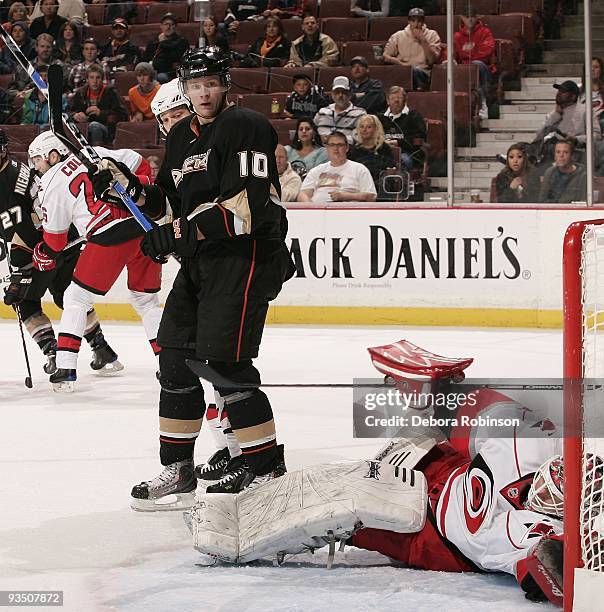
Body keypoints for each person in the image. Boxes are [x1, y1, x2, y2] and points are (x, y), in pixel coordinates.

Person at [189, 339, 564, 607]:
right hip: (440, 463)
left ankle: (435, 396)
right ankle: (439, 395)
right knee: (524, 430)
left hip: (425, 529)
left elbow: (546, 565)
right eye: (555, 483)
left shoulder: (531, 533)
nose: (548, 490)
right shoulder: (544, 459)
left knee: (349, 507)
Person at [89, 47, 295, 504]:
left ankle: (265, 469)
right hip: (202, 261)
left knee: (225, 364)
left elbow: (247, 209)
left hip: (246, 257)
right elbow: (168, 200)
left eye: (211, 83)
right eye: (195, 85)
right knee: (174, 359)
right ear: (185, 88)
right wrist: (127, 189)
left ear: (225, 84)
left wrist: (179, 232)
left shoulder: (246, 126)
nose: (204, 93)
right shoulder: (181, 135)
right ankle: (178, 469)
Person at [26, 131, 161, 392]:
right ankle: (169, 362)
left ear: (54, 155)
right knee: (146, 301)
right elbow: (140, 164)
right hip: (144, 226)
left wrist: (43, 252)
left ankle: (65, 368)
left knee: (75, 298)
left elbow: (55, 240)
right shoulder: (94, 153)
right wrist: (138, 188)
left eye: (38, 160)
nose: (36, 167)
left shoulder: (50, 183)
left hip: (108, 235)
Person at [0, 129, 120, 376]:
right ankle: (100, 347)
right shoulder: (18, 168)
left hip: (40, 247)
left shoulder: (8, 183)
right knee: (69, 296)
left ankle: (53, 352)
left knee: (27, 302)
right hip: (67, 237)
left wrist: (18, 273)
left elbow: (18, 230)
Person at [531, 80, 601, 167]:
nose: (559, 93)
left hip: (579, 152)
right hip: (555, 153)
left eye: (563, 91)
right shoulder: (554, 114)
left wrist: (576, 139)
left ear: (573, 96)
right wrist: (556, 115)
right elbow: (539, 135)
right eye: (559, 91)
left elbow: (597, 136)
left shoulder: (585, 110)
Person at [298, 130, 376, 202]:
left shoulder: (359, 169)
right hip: (318, 211)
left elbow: (371, 196)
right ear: (327, 148)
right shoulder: (316, 170)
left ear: (347, 148)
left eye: (340, 145)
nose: (335, 148)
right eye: (332, 145)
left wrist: (346, 196)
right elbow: (303, 194)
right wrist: (310, 208)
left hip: (347, 211)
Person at [69, 63, 128, 145]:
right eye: (91, 77)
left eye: (98, 78)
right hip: (83, 127)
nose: (95, 81)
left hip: (107, 130)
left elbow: (122, 115)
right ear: (87, 79)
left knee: (94, 126)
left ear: (102, 79)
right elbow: (67, 112)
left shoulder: (111, 92)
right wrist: (75, 115)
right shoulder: (81, 93)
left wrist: (101, 113)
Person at [383, 7, 441, 91]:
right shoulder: (398, 36)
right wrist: (397, 61)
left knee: (415, 71)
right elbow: (385, 55)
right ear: (409, 21)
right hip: (402, 70)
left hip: (422, 72)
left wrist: (423, 41)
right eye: (413, 21)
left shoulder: (432, 35)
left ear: (423, 22)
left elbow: (432, 60)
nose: (416, 24)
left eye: (419, 21)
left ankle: (419, 91)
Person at [453, 7, 495, 120]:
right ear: (462, 18)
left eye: (472, 16)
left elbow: (487, 51)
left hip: (482, 68)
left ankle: (483, 103)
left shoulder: (485, 32)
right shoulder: (457, 36)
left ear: (477, 17)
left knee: (476, 64)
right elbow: (451, 53)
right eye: (467, 17)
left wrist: (468, 63)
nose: (470, 19)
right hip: (464, 70)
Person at [378, 85, 426, 171]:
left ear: (405, 101)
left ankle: (401, 183)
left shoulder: (414, 116)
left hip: (407, 152)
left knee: (404, 161)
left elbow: (420, 137)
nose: (396, 100)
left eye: (399, 97)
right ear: (388, 101)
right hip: (383, 151)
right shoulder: (380, 117)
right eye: (393, 98)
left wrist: (398, 142)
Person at [313, 76, 366, 144]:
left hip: (347, 151)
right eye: (337, 92)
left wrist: (334, 140)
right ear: (332, 94)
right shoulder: (322, 112)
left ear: (350, 94)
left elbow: (361, 137)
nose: (340, 95)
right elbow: (312, 132)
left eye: (344, 92)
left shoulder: (360, 113)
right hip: (320, 151)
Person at [348, 114, 395, 191]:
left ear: (376, 129)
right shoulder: (354, 150)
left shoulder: (384, 148)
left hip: (379, 184)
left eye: (368, 127)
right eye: (362, 126)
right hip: (359, 184)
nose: (364, 130)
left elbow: (389, 170)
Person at [142, 13, 189, 84]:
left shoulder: (181, 41)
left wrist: (163, 43)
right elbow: (145, 58)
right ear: (161, 26)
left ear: (175, 27)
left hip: (170, 73)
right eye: (166, 24)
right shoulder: (154, 42)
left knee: (161, 77)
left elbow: (175, 58)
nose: (168, 27)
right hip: (151, 72)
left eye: (171, 24)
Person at [539, 137, 587, 203]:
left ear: (572, 155)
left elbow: (583, 202)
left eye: (565, 152)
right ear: (554, 155)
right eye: (558, 152)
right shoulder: (549, 172)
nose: (561, 155)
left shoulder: (583, 174)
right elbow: (542, 200)